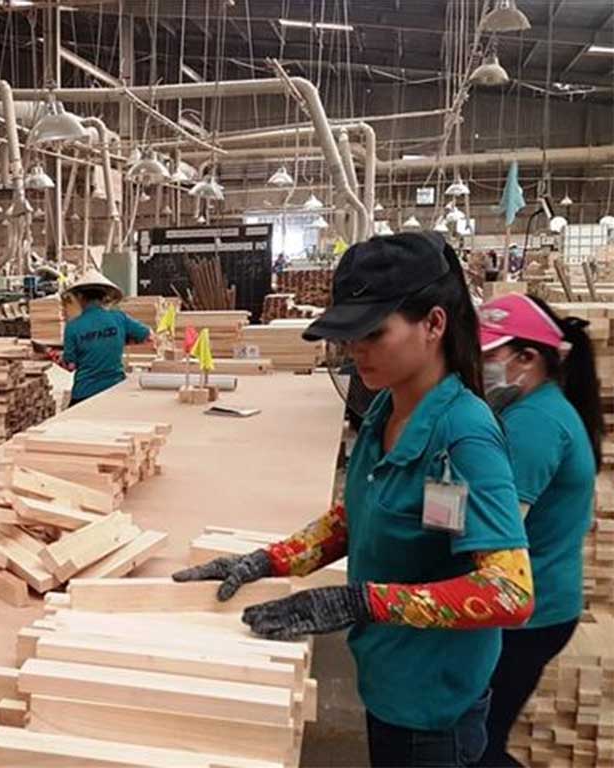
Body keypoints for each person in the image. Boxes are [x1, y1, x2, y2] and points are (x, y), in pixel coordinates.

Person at [175, 233, 533, 768]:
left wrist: (359, 602)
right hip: (387, 681)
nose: (354, 349)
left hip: (432, 710)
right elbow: (357, 515)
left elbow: (510, 591)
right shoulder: (387, 408)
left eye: (373, 333)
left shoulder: (464, 437)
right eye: (349, 334)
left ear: (434, 324)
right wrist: (269, 560)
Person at [475, 294, 599, 767]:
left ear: (527, 358)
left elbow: (496, 536)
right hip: (540, 603)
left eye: (488, 356)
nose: (477, 367)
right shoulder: (538, 407)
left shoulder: (534, 424)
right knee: (480, 738)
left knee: (475, 746)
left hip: (527, 614)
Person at [58, 269, 154, 406]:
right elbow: (148, 336)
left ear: (80, 297)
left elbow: (70, 365)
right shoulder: (119, 318)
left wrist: (51, 355)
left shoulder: (73, 327)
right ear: (105, 297)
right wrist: (120, 339)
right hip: (115, 389)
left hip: (85, 392)